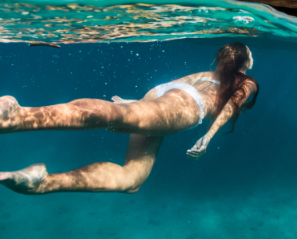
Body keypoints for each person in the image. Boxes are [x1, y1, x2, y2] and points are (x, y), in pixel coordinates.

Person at [0, 43, 258, 195]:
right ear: (246, 61)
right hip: (186, 107)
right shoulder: (248, 82)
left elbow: (170, 86)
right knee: (116, 115)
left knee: (133, 180)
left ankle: (43, 182)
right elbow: (231, 106)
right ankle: (19, 117)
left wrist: (138, 103)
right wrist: (208, 136)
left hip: (169, 96)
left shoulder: (206, 73)